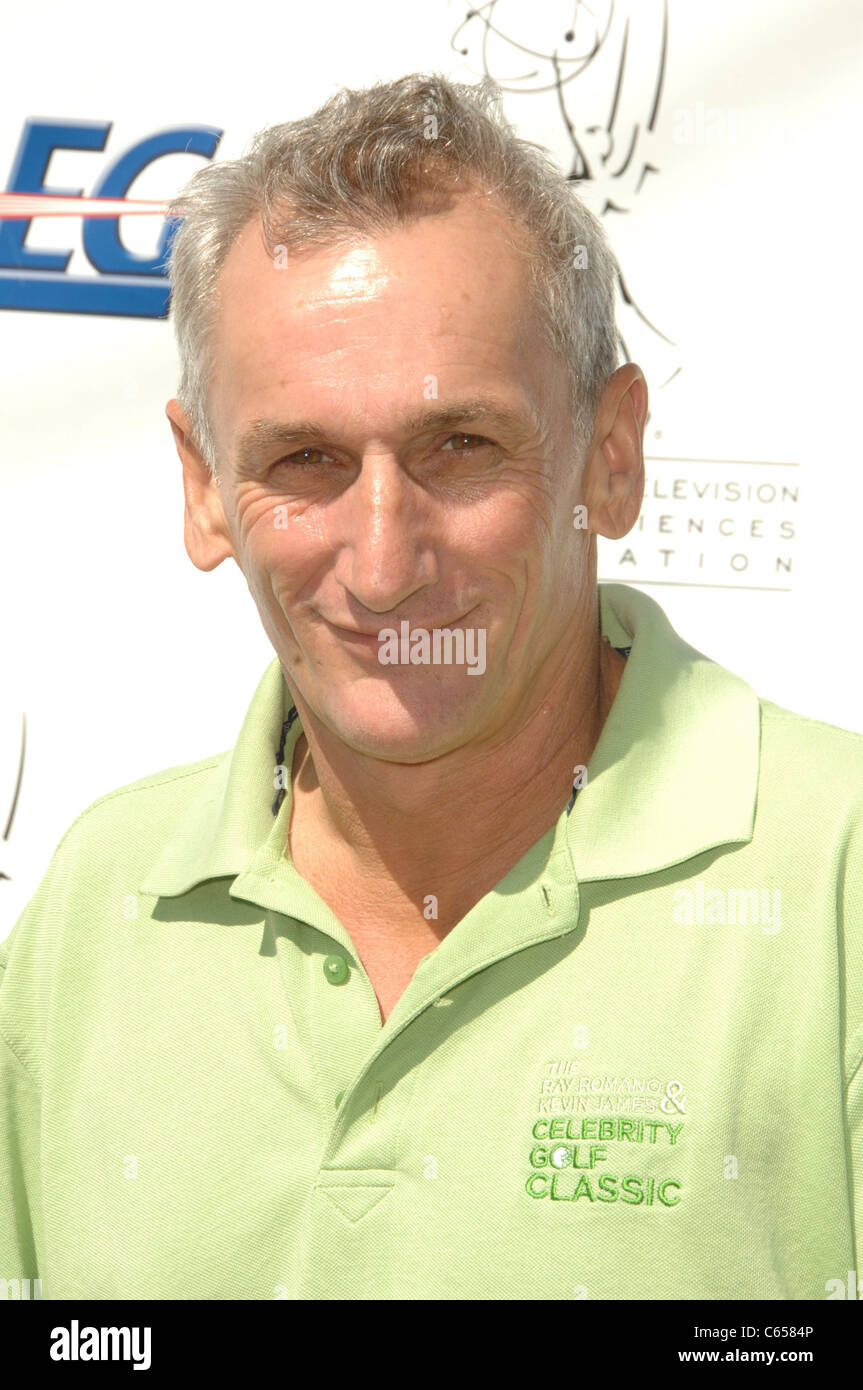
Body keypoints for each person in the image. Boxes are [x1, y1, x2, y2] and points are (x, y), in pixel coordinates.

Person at [1, 72, 861, 1302]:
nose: (385, 561)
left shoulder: (837, 881)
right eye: (303, 460)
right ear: (202, 488)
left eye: (460, 447)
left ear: (608, 457)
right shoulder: (99, 906)